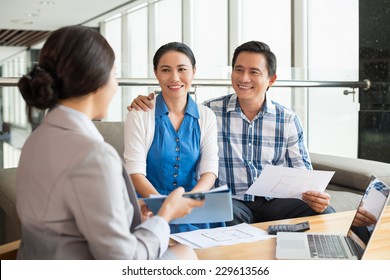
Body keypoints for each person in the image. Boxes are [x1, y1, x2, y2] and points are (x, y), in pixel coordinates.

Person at [16, 26, 203, 260]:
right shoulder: (93, 155)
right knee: (186, 254)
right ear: (95, 80)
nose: (115, 86)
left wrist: (129, 207)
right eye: (113, 74)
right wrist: (164, 215)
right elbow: (124, 260)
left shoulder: (36, 139)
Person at [129, 40, 335, 225]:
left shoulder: (288, 119)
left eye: (254, 72)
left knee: (325, 213)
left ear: (271, 79)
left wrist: (316, 197)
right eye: (239, 70)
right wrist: (145, 100)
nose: (244, 78)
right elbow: (175, 106)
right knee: (218, 215)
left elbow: (304, 175)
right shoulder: (209, 112)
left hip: (276, 203)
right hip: (233, 202)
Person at [124, 42, 224, 233]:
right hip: (148, 206)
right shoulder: (139, 114)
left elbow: (210, 171)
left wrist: (189, 201)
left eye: (182, 69)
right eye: (166, 70)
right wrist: (167, 207)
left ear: (194, 71)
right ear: (156, 73)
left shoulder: (206, 116)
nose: (174, 77)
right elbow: (135, 172)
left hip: (191, 206)